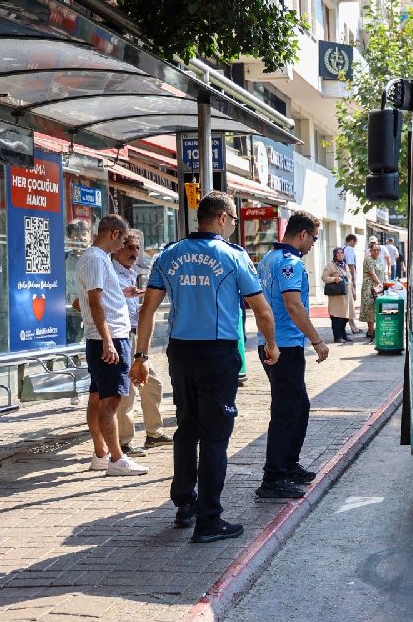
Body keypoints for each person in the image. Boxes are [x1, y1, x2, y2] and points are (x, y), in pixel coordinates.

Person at [131, 191, 279, 543]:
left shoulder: (169, 255)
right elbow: (262, 310)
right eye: (233, 221)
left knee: (187, 427)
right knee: (214, 436)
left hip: (181, 353)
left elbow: (147, 309)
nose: (233, 226)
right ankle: (209, 519)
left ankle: (185, 504)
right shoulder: (233, 256)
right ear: (224, 218)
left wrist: (140, 356)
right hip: (217, 353)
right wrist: (271, 346)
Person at [255, 211, 331, 500]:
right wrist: (317, 340)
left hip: (273, 343)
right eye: (314, 238)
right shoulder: (290, 263)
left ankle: (288, 464)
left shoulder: (268, 259)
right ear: (302, 234)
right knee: (286, 411)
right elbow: (293, 306)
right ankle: (273, 477)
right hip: (284, 346)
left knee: (299, 406)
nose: (313, 244)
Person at [77, 214, 149, 477]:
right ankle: (117, 459)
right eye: (123, 239)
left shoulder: (94, 258)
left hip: (103, 337)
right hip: (109, 338)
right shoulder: (97, 259)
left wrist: (121, 294)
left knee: (97, 397)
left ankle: (101, 454)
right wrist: (108, 341)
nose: (123, 246)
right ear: (114, 234)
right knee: (110, 402)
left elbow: (98, 298)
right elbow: (94, 302)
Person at [112, 232, 171, 457]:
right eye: (129, 247)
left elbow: (129, 306)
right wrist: (123, 296)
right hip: (121, 336)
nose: (134, 253)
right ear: (118, 247)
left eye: (137, 248)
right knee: (128, 390)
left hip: (136, 337)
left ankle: (153, 433)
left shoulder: (130, 273)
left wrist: (140, 307)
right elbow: (93, 301)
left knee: (152, 383)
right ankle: (124, 442)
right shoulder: (110, 272)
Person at [323, 247, 352, 343]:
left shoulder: (345, 265)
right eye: (338, 253)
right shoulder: (330, 265)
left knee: (345, 317)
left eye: (342, 253)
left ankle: (344, 335)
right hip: (336, 295)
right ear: (335, 254)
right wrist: (334, 279)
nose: (340, 255)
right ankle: (337, 337)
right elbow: (324, 277)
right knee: (337, 317)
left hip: (346, 295)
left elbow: (349, 278)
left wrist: (353, 292)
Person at [359, 241, 387, 340]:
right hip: (369, 288)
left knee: (377, 309)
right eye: (374, 250)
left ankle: (374, 330)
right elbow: (372, 273)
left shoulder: (379, 259)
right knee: (370, 309)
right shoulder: (368, 260)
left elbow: (382, 272)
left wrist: (384, 283)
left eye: (378, 250)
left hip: (378, 288)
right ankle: (370, 331)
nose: (376, 252)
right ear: (370, 251)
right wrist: (380, 283)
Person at [343, 233, 363, 335]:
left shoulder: (342, 248)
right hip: (348, 279)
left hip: (343, 279)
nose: (355, 245)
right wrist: (354, 282)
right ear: (352, 241)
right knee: (350, 304)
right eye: (355, 243)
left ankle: (351, 326)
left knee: (346, 305)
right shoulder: (349, 249)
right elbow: (351, 265)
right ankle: (353, 327)